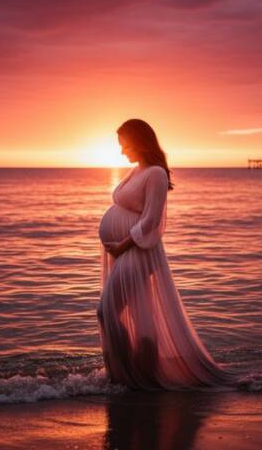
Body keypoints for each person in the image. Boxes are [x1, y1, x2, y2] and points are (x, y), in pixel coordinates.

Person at [96, 118, 238, 391]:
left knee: (105, 310)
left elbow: (151, 220)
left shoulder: (156, 174)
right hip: (124, 252)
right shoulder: (137, 170)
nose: (122, 151)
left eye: (124, 145)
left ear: (139, 141)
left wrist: (123, 245)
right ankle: (136, 374)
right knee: (139, 317)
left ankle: (127, 376)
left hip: (137, 252)